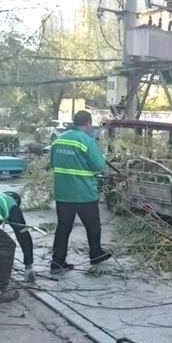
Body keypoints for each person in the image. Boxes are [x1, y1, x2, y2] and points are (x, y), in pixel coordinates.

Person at [50, 110, 111, 274]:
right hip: (84, 193)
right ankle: (96, 254)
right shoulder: (87, 141)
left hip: (63, 193)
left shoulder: (59, 140)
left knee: (63, 227)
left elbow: (53, 163)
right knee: (93, 227)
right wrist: (103, 158)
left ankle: (57, 262)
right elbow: (98, 165)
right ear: (88, 123)